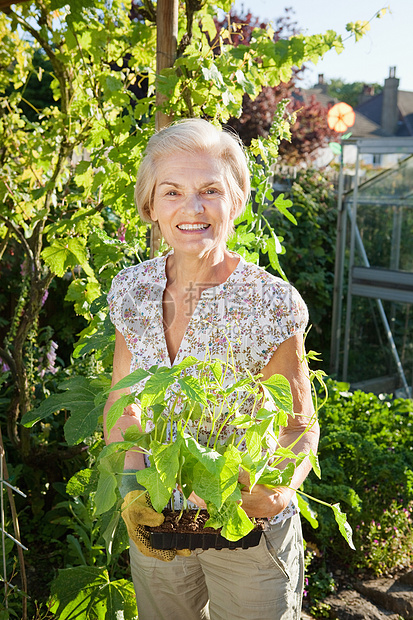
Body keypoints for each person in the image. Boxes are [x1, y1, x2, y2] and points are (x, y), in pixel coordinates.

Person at [103, 118, 319, 620]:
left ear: (236, 200)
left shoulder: (269, 301)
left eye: (210, 191)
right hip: (160, 512)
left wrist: (276, 489)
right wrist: (134, 488)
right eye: (172, 191)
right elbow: (122, 399)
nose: (192, 208)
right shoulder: (132, 291)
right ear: (150, 205)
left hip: (244, 523)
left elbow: (298, 424)